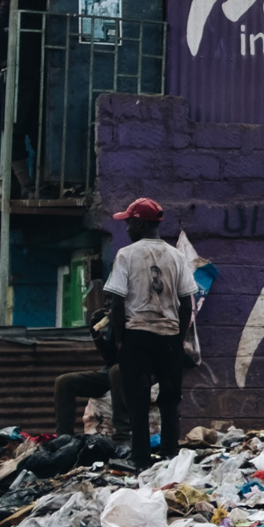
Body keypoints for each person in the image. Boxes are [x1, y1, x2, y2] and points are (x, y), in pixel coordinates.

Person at [102, 196, 193, 459]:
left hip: (137, 336)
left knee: (138, 402)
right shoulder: (176, 256)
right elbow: (186, 301)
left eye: (129, 223)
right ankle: (169, 455)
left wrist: (119, 340)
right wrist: (179, 337)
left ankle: (141, 458)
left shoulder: (126, 255)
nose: (127, 228)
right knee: (170, 400)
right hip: (169, 337)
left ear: (140, 224)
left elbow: (117, 301)